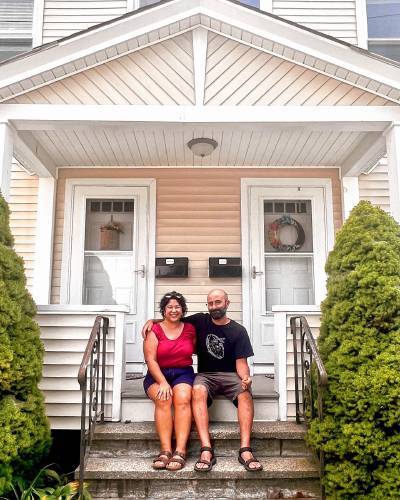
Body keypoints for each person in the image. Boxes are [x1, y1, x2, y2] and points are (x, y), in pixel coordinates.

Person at [142, 288, 262, 472]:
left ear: (227, 303)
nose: (214, 306)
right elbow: (172, 319)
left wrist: (245, 378)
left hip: (229, 375)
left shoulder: (238, 331)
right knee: (194, 390)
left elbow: (241, 363)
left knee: (244, 393)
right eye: (211, 303)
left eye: (218, 302)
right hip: (205, 375)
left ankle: (245, 450)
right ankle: (205, 449)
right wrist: (152, 320)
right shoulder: (199, 321)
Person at [143, 291, 196, 471]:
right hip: (157, 374)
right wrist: (163, 382)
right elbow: (151, 360)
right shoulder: (154, 330)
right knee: (163, 398)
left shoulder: (190, 329)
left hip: (183, 373)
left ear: (183, 310)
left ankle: (180, 450)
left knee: (183, 398)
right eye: (169, 307)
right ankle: (165, 450)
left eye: (177, 307)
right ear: (163, 310)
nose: (174, 310)